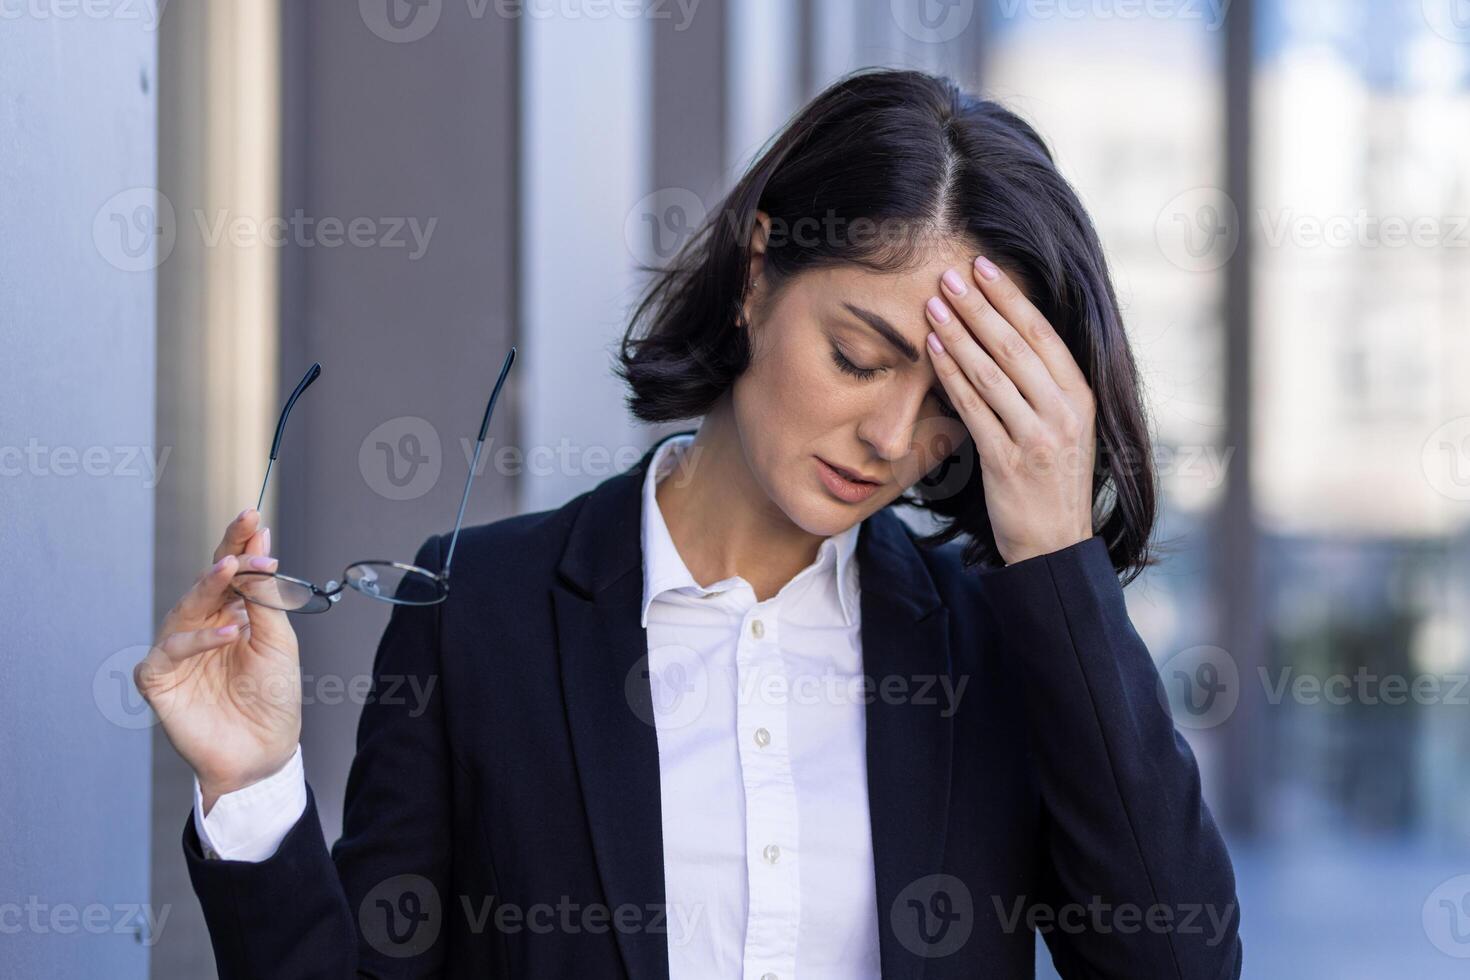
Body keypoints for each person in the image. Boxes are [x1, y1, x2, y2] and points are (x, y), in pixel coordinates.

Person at [137, 68, 1242, 979]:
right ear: (760, 272)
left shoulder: (997, 645)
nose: (893, 437)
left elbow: (1177, 963)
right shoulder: (485, 612)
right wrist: (253, 790)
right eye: (859, 357)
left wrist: (1055, 551)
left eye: (955, 406)